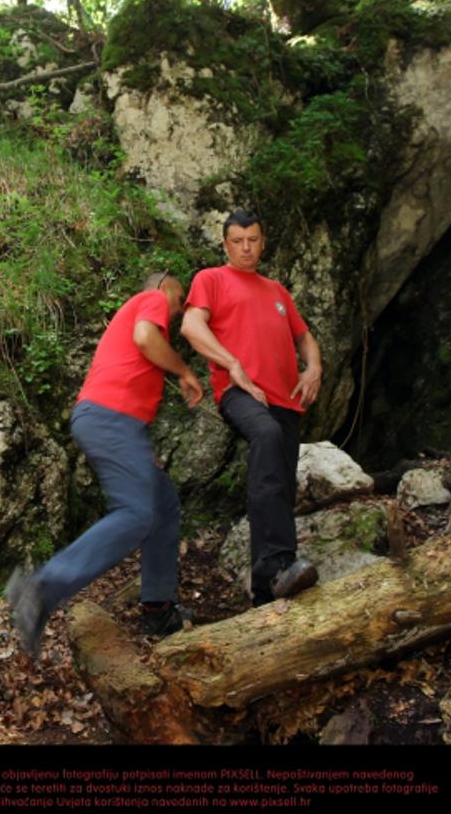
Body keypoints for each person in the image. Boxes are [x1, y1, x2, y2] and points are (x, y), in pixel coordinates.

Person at [7, 273, 204, 657]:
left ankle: (158, 609)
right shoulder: (149, 300)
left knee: (162, 504)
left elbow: (129, 372)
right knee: (135, 513)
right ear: (163, 286)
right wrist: (184, 370)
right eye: (180, 299)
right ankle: (43, 586)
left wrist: (139, 446)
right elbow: (147, 339)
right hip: (109, 419)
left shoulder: (131, 315)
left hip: (114, 422)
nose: (179, 311)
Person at [180, 210, 322, 607]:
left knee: (280, 485)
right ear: (225, 244)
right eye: (238, 241)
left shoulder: (277, 290)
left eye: (253, 240)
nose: (246, 248)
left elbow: (305, 338)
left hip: (287, 401)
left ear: (263, 242)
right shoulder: (211, 279)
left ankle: (266, 594)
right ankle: (277, 565)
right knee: (265, 434)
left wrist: (314, 367)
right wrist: (232, 364)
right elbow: (192, 327)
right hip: (242, 392)